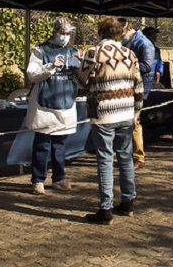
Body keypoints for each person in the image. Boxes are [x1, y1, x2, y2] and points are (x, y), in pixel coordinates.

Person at [80, 17, 145, 224]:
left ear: (100, 33)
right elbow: (139, 86)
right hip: (126, 113)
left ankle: (105, 209)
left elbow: (81, 80)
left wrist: (79, 64)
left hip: (104, 113)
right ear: (120, 34)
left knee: (105, 159)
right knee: (125, 158)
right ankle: (128, 201)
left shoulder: (94, 53)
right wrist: (136, 112)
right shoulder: (130, 54)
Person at [25, 18, 81, 195]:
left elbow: (81, 78)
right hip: (44, 104)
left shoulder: (74, 52)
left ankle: (59, 178)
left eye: (68, 34)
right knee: (42, 144)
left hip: (65, 102)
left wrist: (86, 65)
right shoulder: (40, 50)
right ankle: (38, 179)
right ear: (55, 32)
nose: (65, 37)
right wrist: (50, 67)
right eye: (62, 33)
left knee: (60, 144)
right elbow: (31, 74)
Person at [120, 18, 155, 171]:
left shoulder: (145, 43)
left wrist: (125, 65)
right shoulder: (128, 42)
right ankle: (127, 154)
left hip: (139, 89)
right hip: (127, 87)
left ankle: (139, 157)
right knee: (127, 122)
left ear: (127, 29)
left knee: (135, 122)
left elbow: (147, 66)